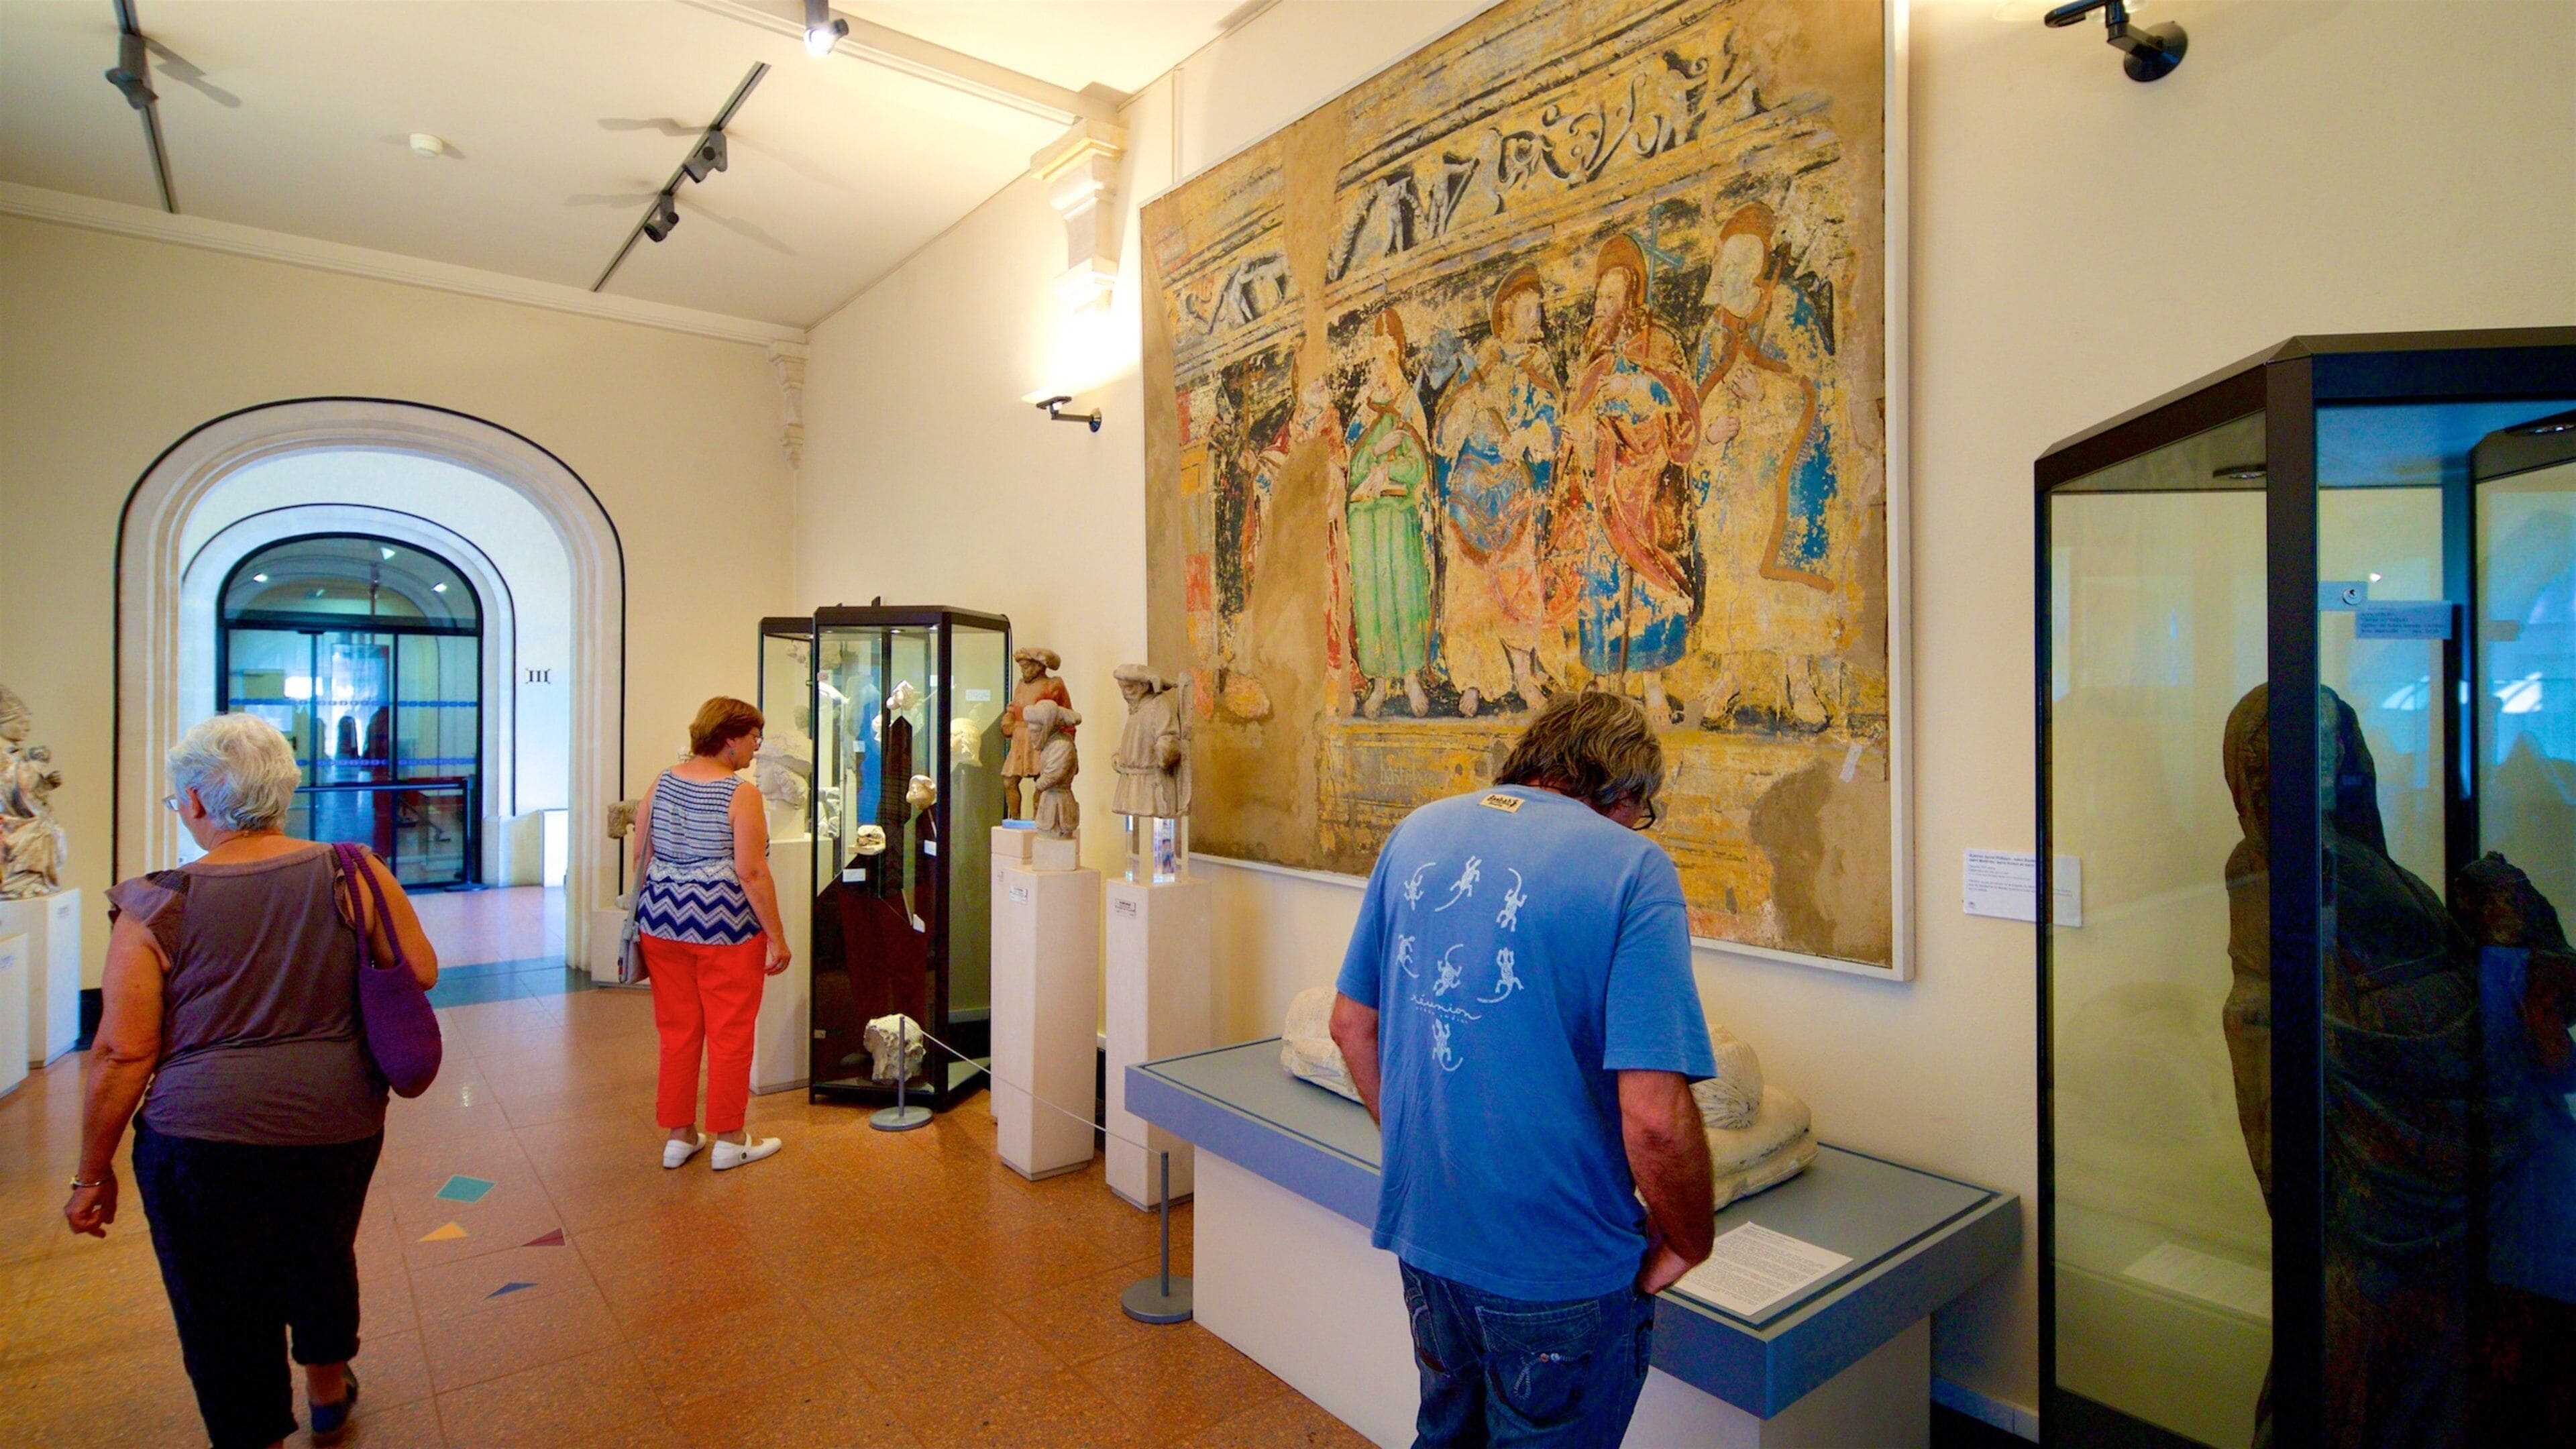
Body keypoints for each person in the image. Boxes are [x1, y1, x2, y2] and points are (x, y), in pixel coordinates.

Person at [1329, 690, 1719, 1447]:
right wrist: (1689, 1239)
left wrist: (1420, 1150)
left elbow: (1351, 1028)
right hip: (1559, 1267)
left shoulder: (1416, 833)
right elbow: (1656, 1120)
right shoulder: (1635, 868)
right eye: (1645, 810)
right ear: (1625, 793)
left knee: (1446, 1432)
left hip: (1428, 1240)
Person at [65, 713, 438, 1449]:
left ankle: (255, 1432)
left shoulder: (154, 904)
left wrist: (90, 1172)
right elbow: (419, 970)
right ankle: (328, 1393)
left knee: (219, 1303)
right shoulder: (353, 870)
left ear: (199, 803)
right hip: (338, 1123)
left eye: (179, 801)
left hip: (200, 1140)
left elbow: (122, 1053)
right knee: (322, 1250)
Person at [633, 696, 792, 1171]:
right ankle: (729, 1137)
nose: (755, 749)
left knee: (677, 1030)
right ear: (729, 740)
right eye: (752, 739)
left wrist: (650, 911)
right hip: (724, 928)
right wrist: (778, 938)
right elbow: (752, 871)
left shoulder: (661, 783)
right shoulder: (739, 793)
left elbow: (640, 852)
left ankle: (679, 1136)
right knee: (730, 1031)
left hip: (661, 924)